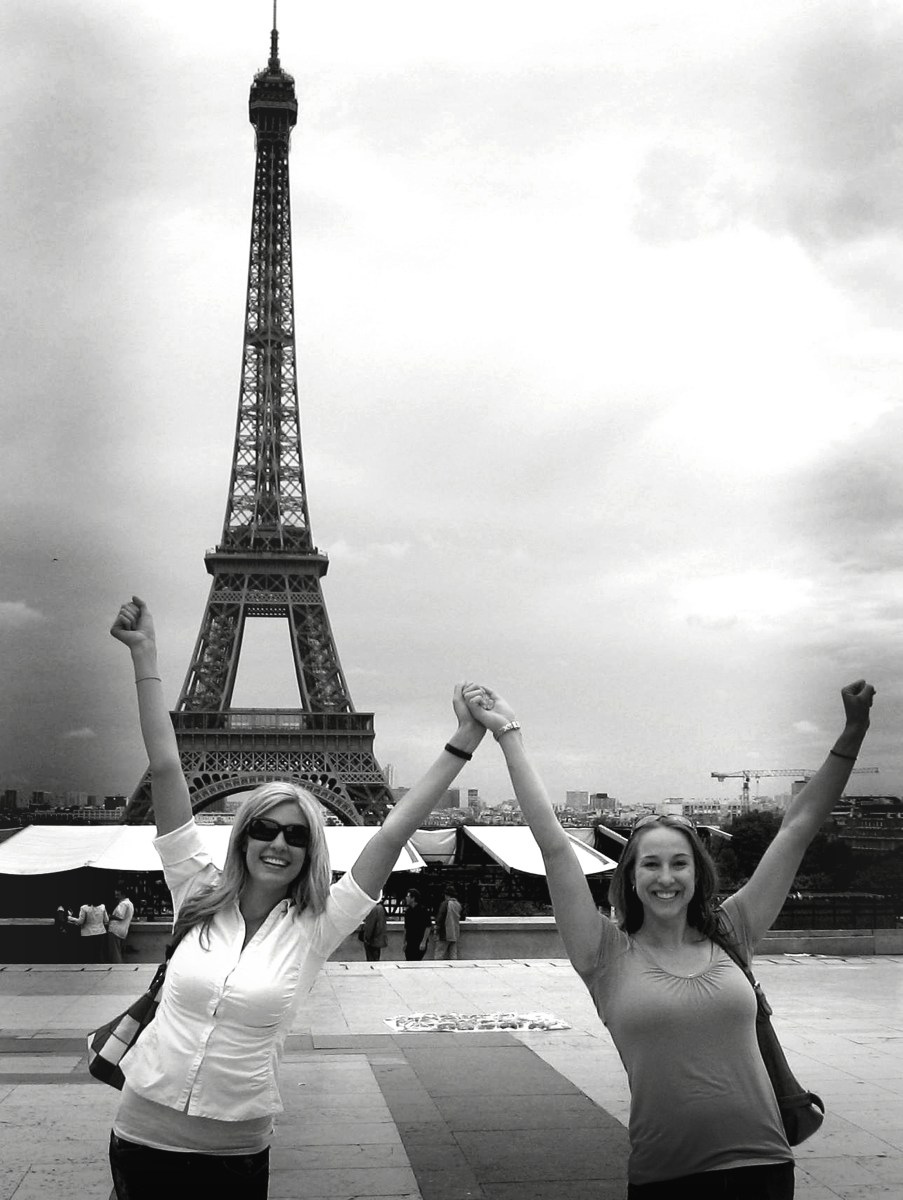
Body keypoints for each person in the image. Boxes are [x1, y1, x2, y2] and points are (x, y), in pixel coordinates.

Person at [107, 596, 485, 1199]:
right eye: (264, 828)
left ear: (312, 849)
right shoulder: (196, 891)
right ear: (243, 836)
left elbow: (392, 832)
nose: (278, 843)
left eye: (297, 834)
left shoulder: (317, 926)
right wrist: (144, 657)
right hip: (140, 1135)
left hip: (233, 1151)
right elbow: (168, 767)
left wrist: (462, 740)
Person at [463, 679, 875, 1200]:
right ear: (630, 877)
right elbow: (554, 847)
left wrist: (853, 733)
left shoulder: (732, 930)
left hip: (764, 1168)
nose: (666, 877)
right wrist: (509, 734)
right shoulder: (604, 954)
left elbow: (798, 828)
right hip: (666, 1178)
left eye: (679, 863)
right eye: (650, 864)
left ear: (698, 873)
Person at [69, 896, 109, 962]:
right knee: (98, 953)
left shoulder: (84, 908)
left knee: (89, 954)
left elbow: (80, 922)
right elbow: (106, 920)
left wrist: (70, 918)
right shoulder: (102, 907)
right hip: (100, 932)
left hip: (88, 933)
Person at [433, 884, 463, 959]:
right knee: (453, 955)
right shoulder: (458, 904)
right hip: (455, 933)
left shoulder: (445, 904)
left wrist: (436, 930)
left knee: (439, 954)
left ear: (446, 895)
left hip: (444, 933)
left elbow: (440, 918)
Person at [402, 888, 432, 960]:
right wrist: (404, 941)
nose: (406, 898)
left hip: (419, 941)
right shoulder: (408, 911)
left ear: (413, 898)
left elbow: (428, 927)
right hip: (410, 942)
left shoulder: (423, 911)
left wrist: (423, 941)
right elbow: (406, 927)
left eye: (408, 896)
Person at [108, 888, 135, 963]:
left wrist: (109, 916)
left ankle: (117, 966)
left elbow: (120, 916)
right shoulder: (129, 904)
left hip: (115, 930)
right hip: (122, 930)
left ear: (123, 895)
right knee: (118, 951)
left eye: (118, 895)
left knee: (115, 953)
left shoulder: (123, 904)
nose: (116, 897)